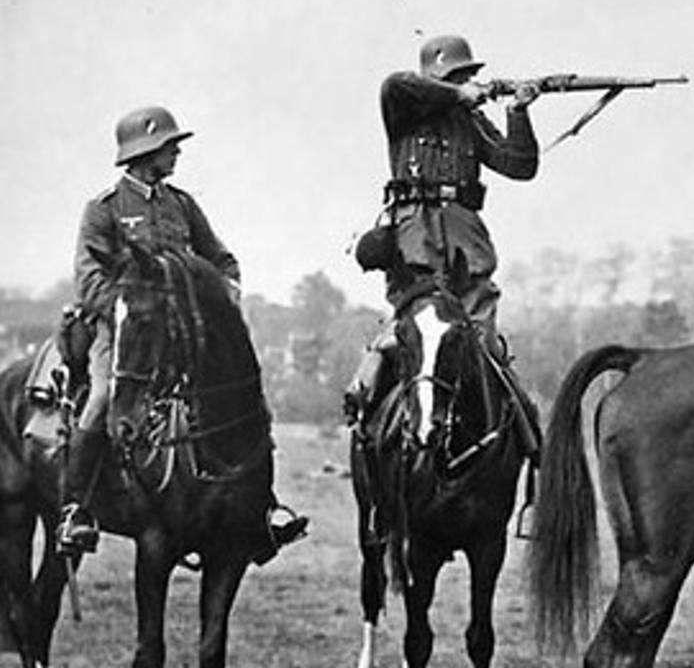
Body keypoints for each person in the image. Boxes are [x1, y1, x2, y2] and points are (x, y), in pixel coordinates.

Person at [59, 105, 307, 556]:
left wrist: (223, 299)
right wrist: (131, 309)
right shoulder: (103, 209)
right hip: (125, 333)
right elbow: (88, 278)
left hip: (181, 335)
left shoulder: (183, 205)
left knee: (242, 397)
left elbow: (221, 260)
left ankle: (260, 507)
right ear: (144, 151)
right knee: (100, 400)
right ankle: (76, 510)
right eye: (169, 146)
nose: (177, 153)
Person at [345, 34, 541, 455]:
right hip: (415, 237)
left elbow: (519, 165)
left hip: (465, 237)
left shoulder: (471, 121)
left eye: (467, 76)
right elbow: (395, 84)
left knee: (485, 341)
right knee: (404, 337)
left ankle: (521, 432)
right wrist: (460, 95)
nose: (467, 81)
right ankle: (364, 413)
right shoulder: (403, 109)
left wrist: (518, 112)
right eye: (458, 75)